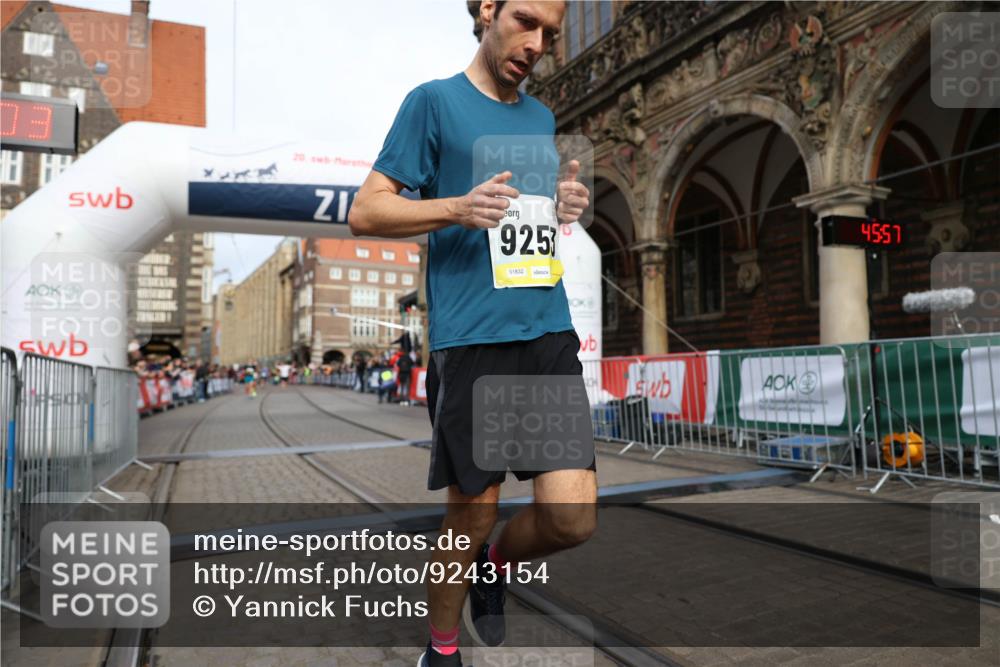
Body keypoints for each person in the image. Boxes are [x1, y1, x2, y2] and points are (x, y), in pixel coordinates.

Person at [350, 3, 595, 665]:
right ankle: (443, 646)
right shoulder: (432, 103)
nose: (537, 42)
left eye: (549, 32)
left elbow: (524, 219)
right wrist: (456, 207)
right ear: (487, 9)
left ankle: (494, 566)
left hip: (546, 329)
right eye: (524, 20)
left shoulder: (540, 118)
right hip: (474, 341)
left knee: (573, 517)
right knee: (473, 513)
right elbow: (365, 211)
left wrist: (561, 206)